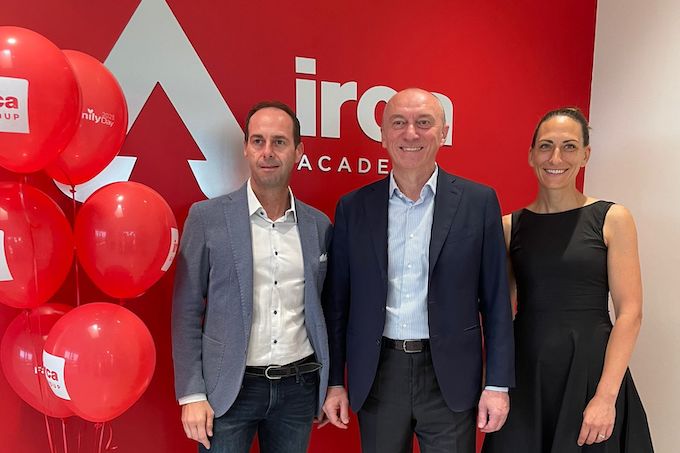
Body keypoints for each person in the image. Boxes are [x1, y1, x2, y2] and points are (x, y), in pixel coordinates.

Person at [322, 88, 515, 453]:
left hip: (451, 378)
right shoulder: (353, 208)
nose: (411, 133)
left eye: (424, 123)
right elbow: (337, 304)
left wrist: (497, 384)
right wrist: (334, 381)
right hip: (378, 375)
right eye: (399, 123)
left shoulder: (478, 202)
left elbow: (496, 301)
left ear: (444, 133)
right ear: (383, 135)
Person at [481, 107, 654, 452]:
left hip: (589, 373)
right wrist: (493, 383)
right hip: (526, 374)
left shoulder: (612, 218)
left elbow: (630, 313)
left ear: (585, 155)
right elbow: (498, 315)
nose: (556, 158)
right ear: (531, 155)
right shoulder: (508, 226)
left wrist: (606, 397)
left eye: (569, 146)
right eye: (545, 146)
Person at [172, 101, 332, 453]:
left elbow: (326, 309)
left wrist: (327, 384)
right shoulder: (207, 218)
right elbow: (185, 310)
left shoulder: (319, 226)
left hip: (298, 389)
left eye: (279, 142)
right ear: (245, 148)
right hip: (228, 390)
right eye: (258, 141)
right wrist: (192, 393)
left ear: (298, 151)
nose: (267, 151)